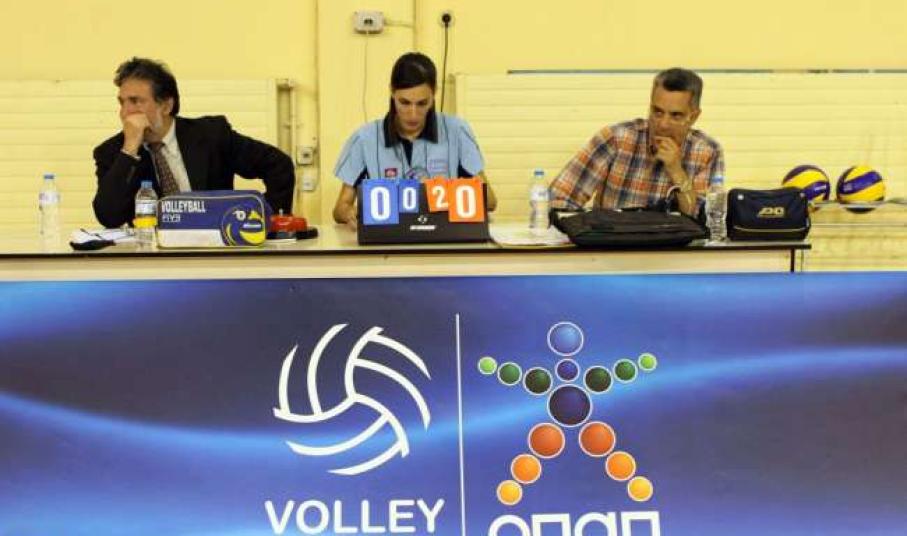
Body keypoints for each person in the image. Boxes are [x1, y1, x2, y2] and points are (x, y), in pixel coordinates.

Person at [92, 57, 295, 228]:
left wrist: (264, 221)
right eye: (122, 102)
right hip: (154, 254)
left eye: (136, 101)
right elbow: (109, 217)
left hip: (214, 247)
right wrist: (129, 151)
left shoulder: (211, 135)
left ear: (166, 106)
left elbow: (279, 166)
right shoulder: (112, 152)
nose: (125, 112)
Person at [332, 52, 496, 227]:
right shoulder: (364, 139)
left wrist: (439, 193)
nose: (413, 114)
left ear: (434, 94)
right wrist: (350, 213)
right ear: (392, 92)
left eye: (422, 103)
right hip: (388, 239)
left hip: (444, 237)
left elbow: (490, 202)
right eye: (404, 102)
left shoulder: (458, 132)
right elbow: (340, 208)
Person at [549, 68, 724, 218]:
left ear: (693, 117)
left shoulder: (708, 151)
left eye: (676, 115)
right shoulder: (616, 138)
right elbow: (560, 197)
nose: (663, 124)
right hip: (613, 242)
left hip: (673, 246)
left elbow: (704, 221)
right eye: (657, 112)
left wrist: (676, 171)